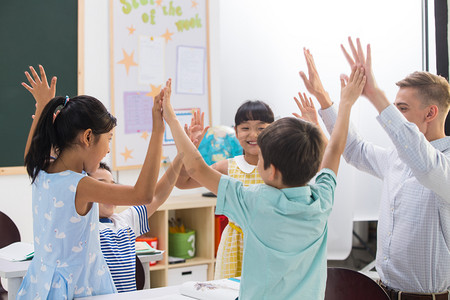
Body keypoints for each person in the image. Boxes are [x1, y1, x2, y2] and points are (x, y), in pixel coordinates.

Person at [162, 66, 366, 299]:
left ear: (272, 171)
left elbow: (196, 167)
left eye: (263, 158)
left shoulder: (254, 200)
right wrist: (346, 104)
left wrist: (171, 119)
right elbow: (334, 150)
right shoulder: (321, 199)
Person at [300, 39, 450, 298]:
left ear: (430, 113)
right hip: (381, 293)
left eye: (400, 109)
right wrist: (323, 98)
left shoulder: (442, 166)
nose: (391, 116)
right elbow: (354, 149)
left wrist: (374, 94)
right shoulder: (396, 158)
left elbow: (425, 166)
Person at [18, 65, 167, 299]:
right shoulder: (80, 186)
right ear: (88, 137)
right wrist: (158, 130)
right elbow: (143, 194)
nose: (107, 150)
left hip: (42, 286)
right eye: (108, 140)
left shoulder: (39, 169)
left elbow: (35, 145)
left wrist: (42, 107)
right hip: (76, 289)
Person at [176, 100, 275, 280]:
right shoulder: (228, 167)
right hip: (234, 246)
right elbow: (182, 182)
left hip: (268, 243)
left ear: (272, 130)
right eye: (245, 128)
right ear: (236, 132)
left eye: (261, 128)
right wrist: (192, 145)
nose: (253, 134)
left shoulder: (280, 168)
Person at [90, 158, 182, 293]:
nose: (111, 192)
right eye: (102, 186)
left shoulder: (123, 221)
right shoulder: (85, 226)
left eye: (113, 186)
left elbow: (157, 196)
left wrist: (181, 157)